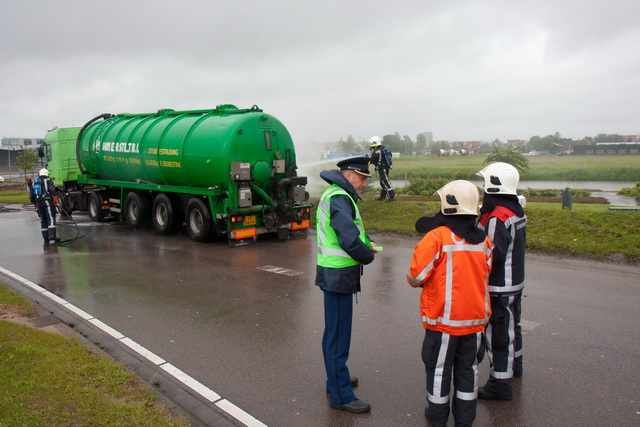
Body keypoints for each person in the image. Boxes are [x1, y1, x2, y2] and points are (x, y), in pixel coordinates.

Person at [406, 180, 493, 427]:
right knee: (468, 371)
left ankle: (437, 417)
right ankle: (465, 420)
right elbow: (486, 272)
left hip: (444, 322)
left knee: (438, 370)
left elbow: (416, 276)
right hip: (475, 322)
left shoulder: (437, 237)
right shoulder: (484, 240)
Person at [315, 156, 378, 414]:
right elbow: (348, 239)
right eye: (362, 178)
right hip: (338, 276)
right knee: (338, 335)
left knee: (335, 332)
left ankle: (336, 378)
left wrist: (367, 240)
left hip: (336, 275)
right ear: (349, 174)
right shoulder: (340, 196)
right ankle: (341, 395)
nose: (364, 183)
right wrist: (368, 255)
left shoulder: (338, 194)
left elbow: (353, 231)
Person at [476, 162, 527, 401]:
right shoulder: (516, 210)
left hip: (498, 286)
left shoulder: (497, 217)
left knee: (499, 336)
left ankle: (500, 383)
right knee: (512, 327)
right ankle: (515, 367)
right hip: (514, 282)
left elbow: (492, 254)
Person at [29, 168, 60, 244]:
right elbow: (52, 190)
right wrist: (55, 199)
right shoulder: (48, 180)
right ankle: (52, 235)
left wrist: (35, 203)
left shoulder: (34, 182)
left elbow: (31, 195)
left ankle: (45, 237)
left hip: (39, 202)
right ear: (47, 174)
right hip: (47, 202)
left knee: (43, 219)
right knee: (51, 218)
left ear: (39, 174)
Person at [368, 136, 395, 202]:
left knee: (385, 181)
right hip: (386, 167)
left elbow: (372, 160)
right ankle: (382, 196)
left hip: (382, 168)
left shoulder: (376, 151)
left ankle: (392, 196)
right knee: (382, 182)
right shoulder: (383, 148)